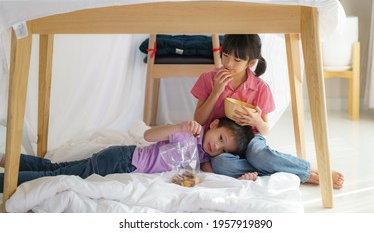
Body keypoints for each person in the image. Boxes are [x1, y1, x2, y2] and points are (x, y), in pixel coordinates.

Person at [191, 34, 344, 189]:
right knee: (222, 165)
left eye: (237, 60)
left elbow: (264, 130)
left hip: (250, 139)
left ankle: (309, 170)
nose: (229, 63)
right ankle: (282, 167)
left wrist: (256, 121)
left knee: (258, 154)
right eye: (225, 55)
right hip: (223, 145)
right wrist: (216, 91)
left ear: (251, 63)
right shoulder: (209, 78)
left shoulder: (260, 88)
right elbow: (198, 120)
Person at [0, 117, 254, 192]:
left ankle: (5, 159)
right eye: (219, 138)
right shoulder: (188, 135)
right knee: (59, 175)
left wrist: (242, 179)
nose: (216, 147)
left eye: (223, 149)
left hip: (121, 163)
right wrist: (179, 127)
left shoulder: (202, 161)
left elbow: (212, 180)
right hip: (123, 159)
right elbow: (148, 136)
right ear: (213, 125)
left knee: (55, 167)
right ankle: (6, 181)